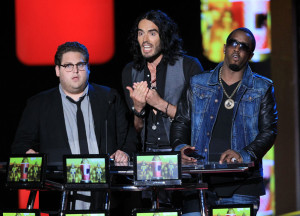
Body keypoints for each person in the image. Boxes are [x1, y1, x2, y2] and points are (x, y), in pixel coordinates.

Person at [11, 41, 135, 210]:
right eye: (68, 66)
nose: (75, 71)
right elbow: (20, 144)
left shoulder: (109, 98)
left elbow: (129, 136)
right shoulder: (38, 104)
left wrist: (125, 152)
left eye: (80, 65)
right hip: (60, 193)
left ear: (88, 68)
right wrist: (28, 153)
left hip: (105, 194)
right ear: (57, 70)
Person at [170, 27, 278, 215]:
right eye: (233, 43)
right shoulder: (198, 83)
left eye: (243, 46)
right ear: (224, 47)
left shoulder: (262, 87)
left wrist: (243, 154)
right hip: (200, 180)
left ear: (250, 55)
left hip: (242, 184)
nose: (237, 49)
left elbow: (269, 131)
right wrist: (180, 147)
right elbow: (181, 121)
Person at [121, 9, 204, 208]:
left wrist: (160, 104)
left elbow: (199, 122)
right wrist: (139, 109)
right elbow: (136, 129)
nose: (145, 39)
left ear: (164, 36)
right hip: (148, 160)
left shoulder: (189, 66)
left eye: (152, 32)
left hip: (182, 158)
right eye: (140, 33)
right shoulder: (131, 71)